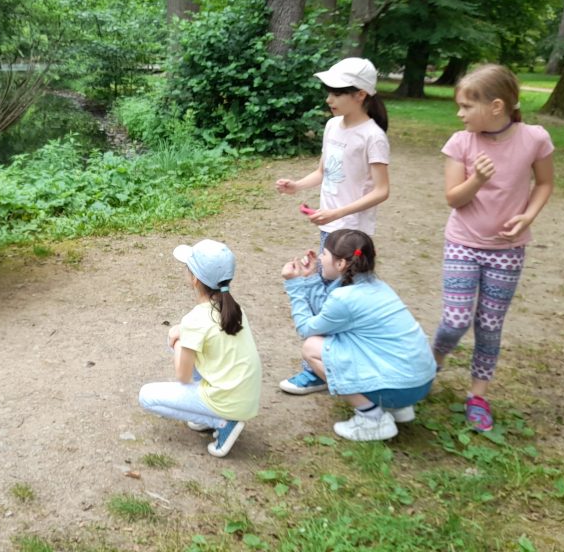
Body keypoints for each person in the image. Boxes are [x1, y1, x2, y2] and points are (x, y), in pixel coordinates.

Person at [431, 64, 555, 432]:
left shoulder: (534, 138)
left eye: (467, 106)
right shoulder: (461, 142)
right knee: (455, 321)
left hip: (507, 250)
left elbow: (544, 183)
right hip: (463, 244)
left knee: (489, 324)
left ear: (496, 106)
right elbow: (454, 198)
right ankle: (430, 363)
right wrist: (478, 180)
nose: (460, 113)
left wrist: (527, 216)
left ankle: (478, 395)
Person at [275, 57, 392, 395]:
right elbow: (324, 172)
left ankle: (321, 369)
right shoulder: (332, 127)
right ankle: (325, 364)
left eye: (337, 92)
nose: (329, 98)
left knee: (336, 300)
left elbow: (382, 190)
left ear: (360, 94)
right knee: (327, 294)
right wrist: (297, 186)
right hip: (329, 228)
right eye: (328, 91)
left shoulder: (372, 136)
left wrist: (337, 212)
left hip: (352, 234)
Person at [281, 229, 436, 442]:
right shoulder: (377, 286)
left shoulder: (344, 299)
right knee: (347, 343)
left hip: (398, 387)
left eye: (324, 254)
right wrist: (312, 278)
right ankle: (396, 408)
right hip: (420, 381)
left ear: (340, 264)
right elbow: (325, 313)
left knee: (312, 347)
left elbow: (306, 329)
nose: (320, 259)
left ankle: (373, 420)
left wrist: (295, 285)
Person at [138, 240, 262, 458]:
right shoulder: (234, 309)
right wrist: (183, 333)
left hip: (226, 401)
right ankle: (206, 413)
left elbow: (183, 375)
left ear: (195, 279)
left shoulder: (196, 319)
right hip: (245, 397)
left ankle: (221, 422)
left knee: (146, 397)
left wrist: (177, 340)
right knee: (187, 343)